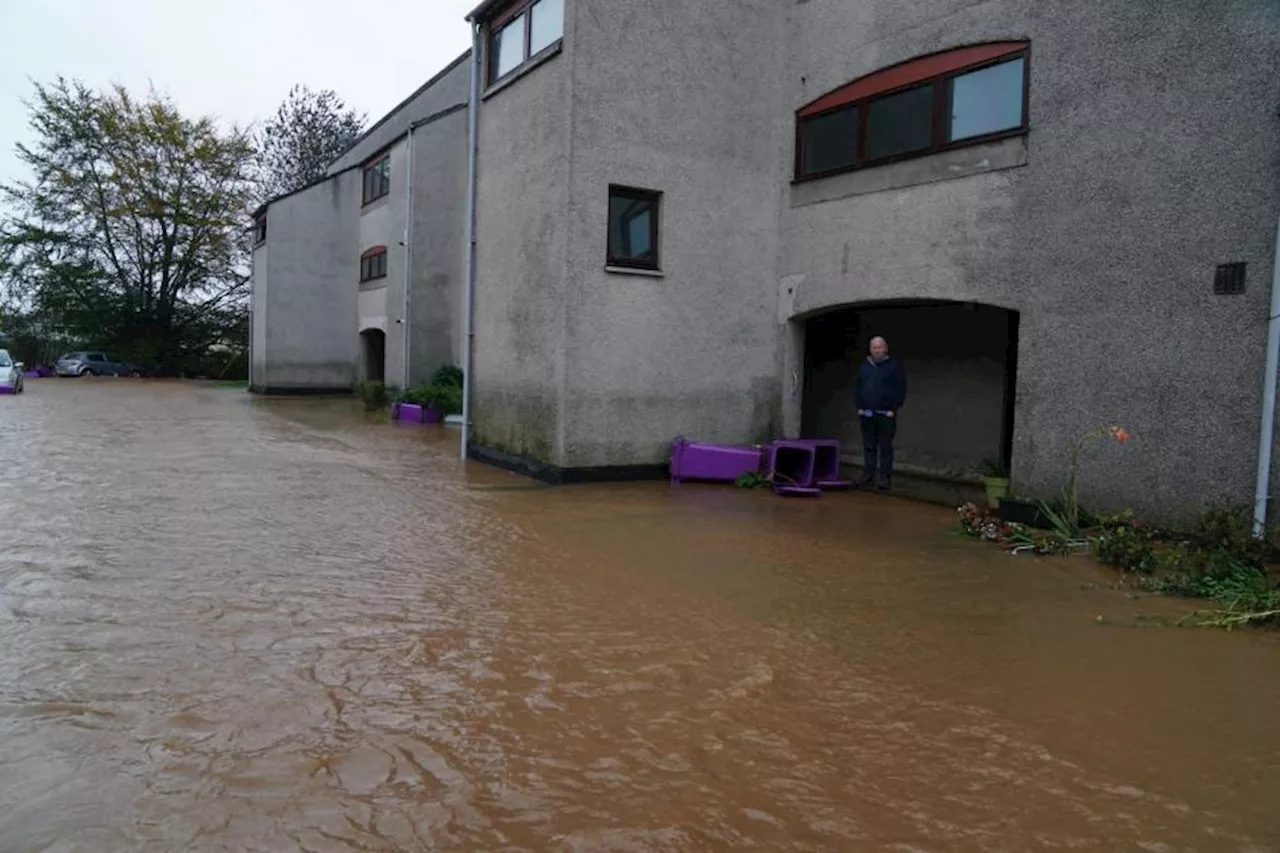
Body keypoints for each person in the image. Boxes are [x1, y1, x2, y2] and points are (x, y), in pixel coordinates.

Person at [855, 336, 906, 490]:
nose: (877, 350)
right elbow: (858, 387)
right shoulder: (865, 366)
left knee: (885, 447)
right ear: (870, 349)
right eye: (874, 348)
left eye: (879, 347)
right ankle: (868, 475)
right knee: (869, 445)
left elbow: (901, 389)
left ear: (885, 349)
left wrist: (893, 408)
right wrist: (859, 406)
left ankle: (884, 477)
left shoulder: (894, 366)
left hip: (886, 414)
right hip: (867, 413)